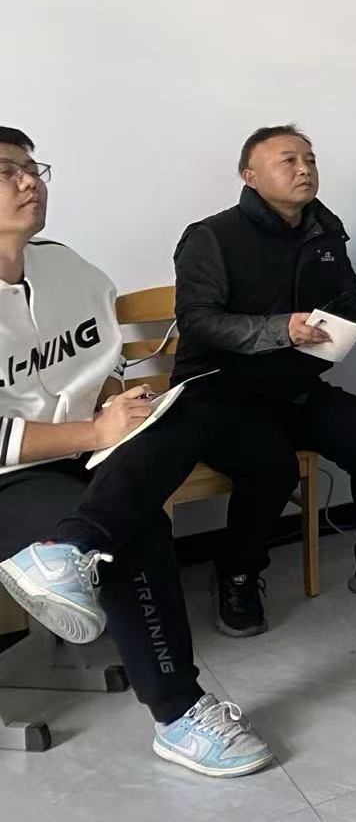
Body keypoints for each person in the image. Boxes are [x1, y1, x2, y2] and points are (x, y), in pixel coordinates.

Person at [0, 128, 273, 777]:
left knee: (197, 402)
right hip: (10, 475)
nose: (30, 181)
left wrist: (125, 402)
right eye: (7, 170)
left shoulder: (68, 268)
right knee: (136, 529)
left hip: (80, 453)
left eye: (33, 167)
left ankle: (69, 548)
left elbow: (100, 369)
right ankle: (179, 715)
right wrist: (96, 433)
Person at [167, 124, 356, 638]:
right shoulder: (211, 237)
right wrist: (279, 330)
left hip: (293, 388)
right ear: (250, 176)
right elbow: (198, 320)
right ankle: (237, 576)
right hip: (217, 391)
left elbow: (349, 294)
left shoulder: (323, 230)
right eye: (288, 160)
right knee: (271, 466)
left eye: (309, 159)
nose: (304, 168)